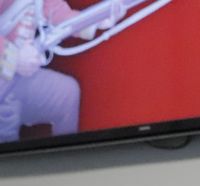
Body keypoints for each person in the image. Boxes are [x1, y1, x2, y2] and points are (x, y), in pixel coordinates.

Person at [0, 0, 124, 142]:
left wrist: (97, 20)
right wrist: (13, 57)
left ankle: (66, 154)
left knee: (66, 94)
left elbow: (57, 13)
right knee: (6, 110)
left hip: (16, 78)